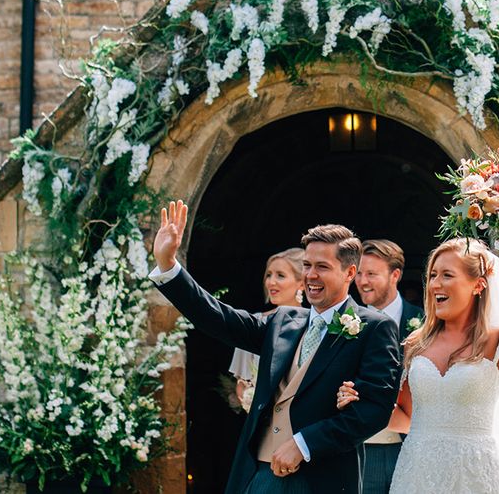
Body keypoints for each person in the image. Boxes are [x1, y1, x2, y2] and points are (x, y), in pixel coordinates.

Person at [150, 200, 401, 494]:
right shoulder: (284, 320)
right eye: (307, 266)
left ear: (349, 273)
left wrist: (305, 444)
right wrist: (169, 267)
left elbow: (373, 410)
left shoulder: (375, 327)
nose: (311, 275)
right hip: (259, 474)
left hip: (323, 479)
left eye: (322, 267)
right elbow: (220, 319)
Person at [338, 237, 499, 493]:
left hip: (474, 474)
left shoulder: (495, 341)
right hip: (417, 472)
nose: (435, 284)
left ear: (478, 285)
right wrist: (362, 404)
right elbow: (406, 417)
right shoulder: (415, 343)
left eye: (447, 275)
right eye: (432, 275)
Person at [354, 239, 423, 494]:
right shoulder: (348, 323)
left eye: (371, 274)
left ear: (395, 275)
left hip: (413, 445)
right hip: (365, 447)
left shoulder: (424, 321)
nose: (362, 281)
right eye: (359, 273)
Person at [228, 248, 305, 412]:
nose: (271, 282)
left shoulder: (316, 323)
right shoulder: (254, 323)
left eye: (280, 275)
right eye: (269, 275)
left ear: (302, 283)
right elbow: (242, 384)